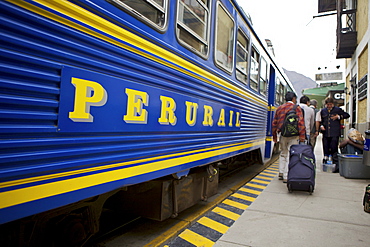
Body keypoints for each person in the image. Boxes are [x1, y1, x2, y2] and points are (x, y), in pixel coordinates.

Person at [272, 92, 306, 183]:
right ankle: (286, 176)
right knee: (291, 154)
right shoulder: (296, 108)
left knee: (283, 152)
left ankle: (281, 172)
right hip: (294, 135)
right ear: (293, 98)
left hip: (283, 134)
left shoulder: (279, 108)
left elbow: (274, 123)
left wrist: (274, 136)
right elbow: (301, 123)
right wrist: (302, 136)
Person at [315, 97, 350, 172]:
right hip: (326, 132)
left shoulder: (337, 110)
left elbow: (347, 115)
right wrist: (321, 126)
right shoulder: (323, 111)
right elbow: (320, 120)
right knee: (325, 146)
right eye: (327, 104)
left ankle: (335, 163)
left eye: (330, 104)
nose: (329, 106)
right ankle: (326, 159)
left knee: (334, 147)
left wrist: (338, 117)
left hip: (335, 132)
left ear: (333, 104)